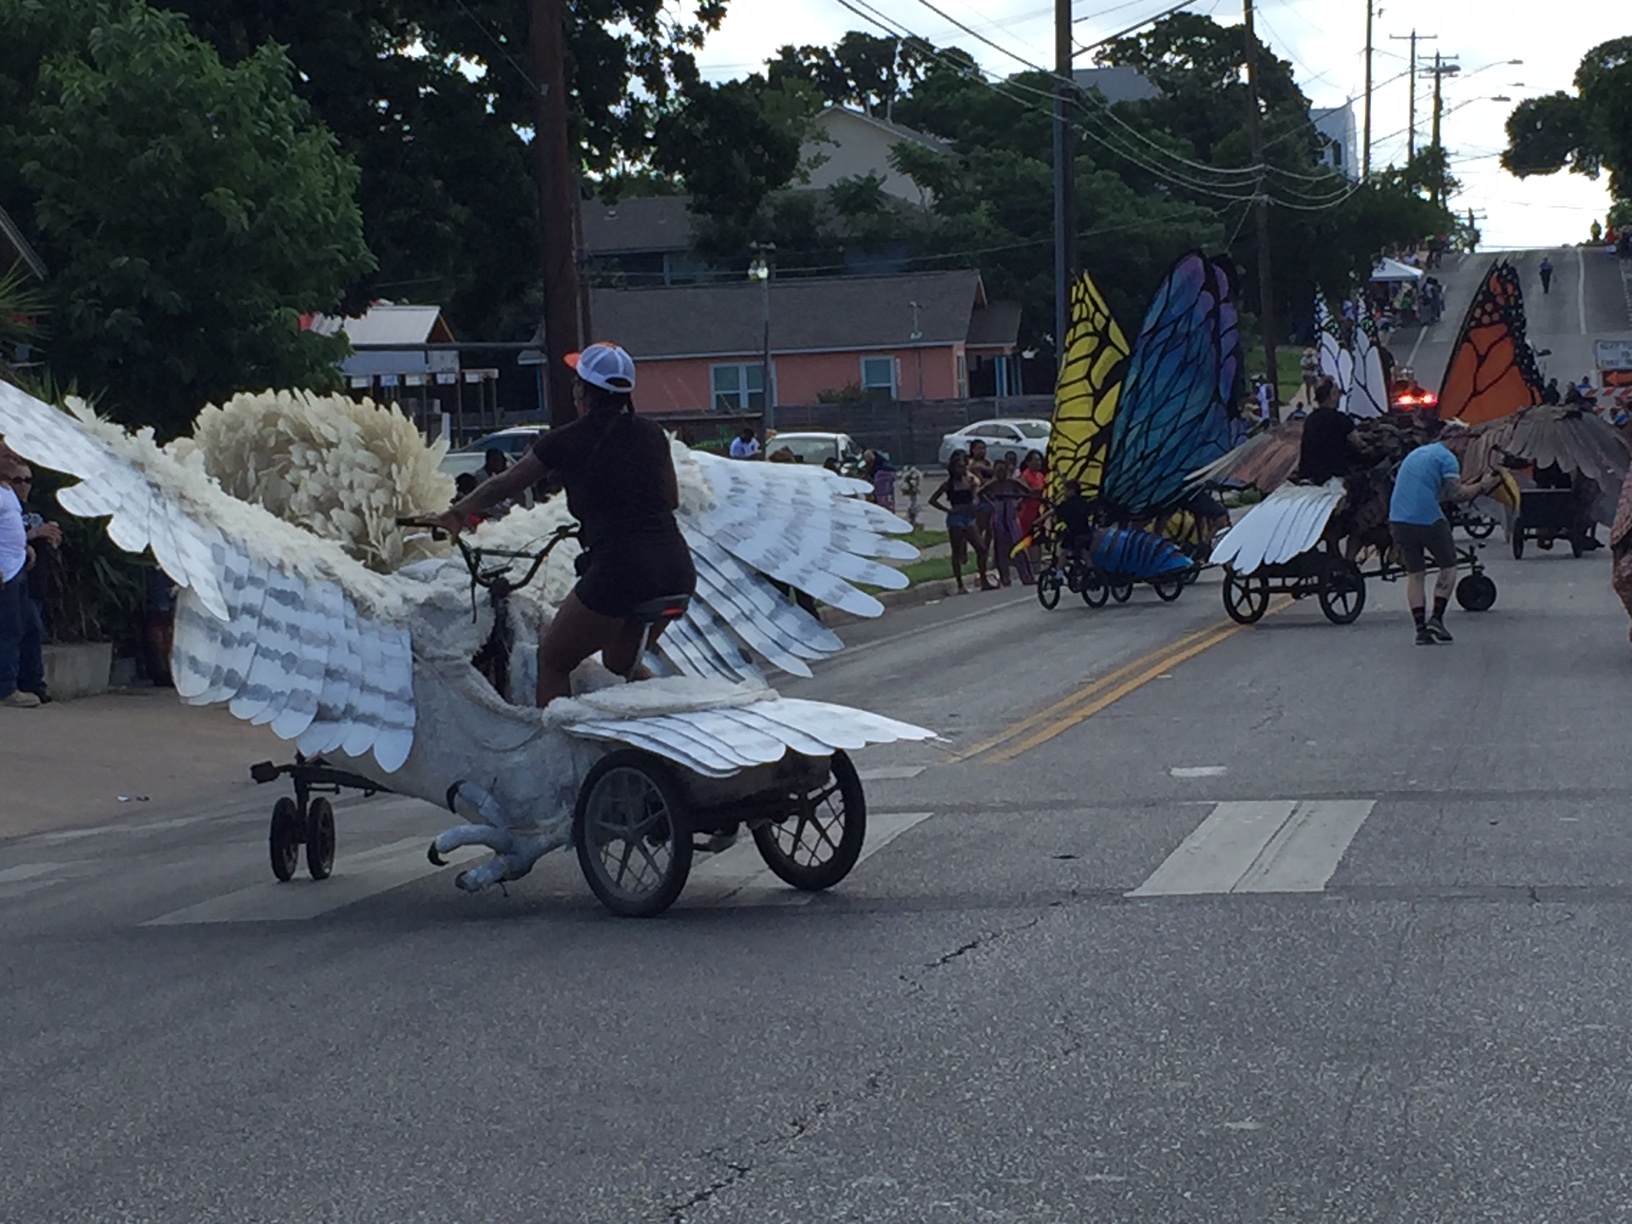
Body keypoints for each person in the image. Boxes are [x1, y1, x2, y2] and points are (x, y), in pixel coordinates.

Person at [419, 342, 695, 709]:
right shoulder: (652, 434)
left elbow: (505, 484)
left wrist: (455, 515)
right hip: (676, 569)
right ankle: (668, 721)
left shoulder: (566, 440)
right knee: (619, 663)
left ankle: (561, 755)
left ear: (582, 391)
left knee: (553, 660)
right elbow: (671, 499)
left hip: (621, 570)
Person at [1387, 423, 1503, 645]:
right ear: (1456, 439)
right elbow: (1458, 495)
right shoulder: (1447, 458)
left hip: (1398, 518)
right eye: (1466, 441)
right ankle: (1436, 619)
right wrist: (1482, 485)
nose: (1466, 447)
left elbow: (1435, 491)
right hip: (1427, 518)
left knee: (1416, 574)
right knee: (1449, 566)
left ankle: (1420, 630)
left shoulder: (1419, 453)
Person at [0, 456, 44, 708]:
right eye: (6, 457)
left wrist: (24, 546)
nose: (12, 462)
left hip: (17, 566)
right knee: (8, 628)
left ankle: (24, 681)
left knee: (24, 626)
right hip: (5, 570)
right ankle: (6, 688)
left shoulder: (6, 490)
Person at [928, 449, 991, 594]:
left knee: (981, 548)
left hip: (968, 517)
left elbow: (975, 496)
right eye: (958, 467)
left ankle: (984, 579)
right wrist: (948, 510)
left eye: (963, 466)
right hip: (956, 518)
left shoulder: (969, 481)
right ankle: (960, 584)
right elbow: (932, 500)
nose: (961, 470)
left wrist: (974, 501)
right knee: (956, 551)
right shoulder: (948, 485)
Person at [1296, 376, 1356, 485]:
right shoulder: (1342, 420)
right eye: (1338, 393)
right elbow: (1357, 443)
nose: (1339, 397)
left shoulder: (1310, 420)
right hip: (1335, 478)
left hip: (1310, 476)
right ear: (1332, 394)